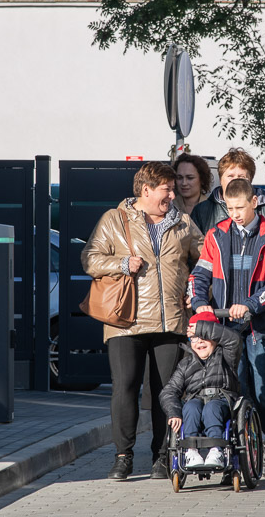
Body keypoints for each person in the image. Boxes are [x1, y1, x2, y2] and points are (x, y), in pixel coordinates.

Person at [81, 162, 204, 481]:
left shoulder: (183, 222)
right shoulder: (115, 219)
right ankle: (123, 456)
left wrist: (195, 289)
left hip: (171, 321)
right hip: (126, 321)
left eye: (173, 188)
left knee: (166, 391)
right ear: (146, 190)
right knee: (124, 388)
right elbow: (90, 259)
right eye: (166, 188)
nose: (172, 194)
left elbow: (206, 260)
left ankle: (162, 455)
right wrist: (122, 263)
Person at [189, 178, 265, 476]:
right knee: (235, 390)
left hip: (260, 326)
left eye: (240, 207)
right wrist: (199, 303)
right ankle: (239, 451)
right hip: (226, 325)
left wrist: (250, 304)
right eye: (230, 208)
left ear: (254, 202)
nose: (235, 214)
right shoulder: (216, 235)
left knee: (261, 392)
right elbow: (199, 275)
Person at [160, 311, 242, 469]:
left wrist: (200, 327)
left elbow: (234, 339)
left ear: (216, 338)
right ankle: (191, 451)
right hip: (196, 400)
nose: (199, 342)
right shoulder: (185, 364)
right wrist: (174, 412)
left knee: (211, 407)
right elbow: (168, 392)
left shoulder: (226, 356)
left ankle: (216, 450)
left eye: (203, 336)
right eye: (194, 338)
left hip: (222, 400)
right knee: (190, 407)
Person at [191, 147, 265, 234]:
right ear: (220, 180)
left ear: (250, 180)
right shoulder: (202, 211)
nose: (235, 181)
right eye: (230, 176)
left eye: (241, 177)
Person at [172, 153, 213, 217]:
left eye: (190, 178)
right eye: (179, 178)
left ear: (202, 179)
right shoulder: (169, 207)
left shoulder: (213, 208)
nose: (184, 183)